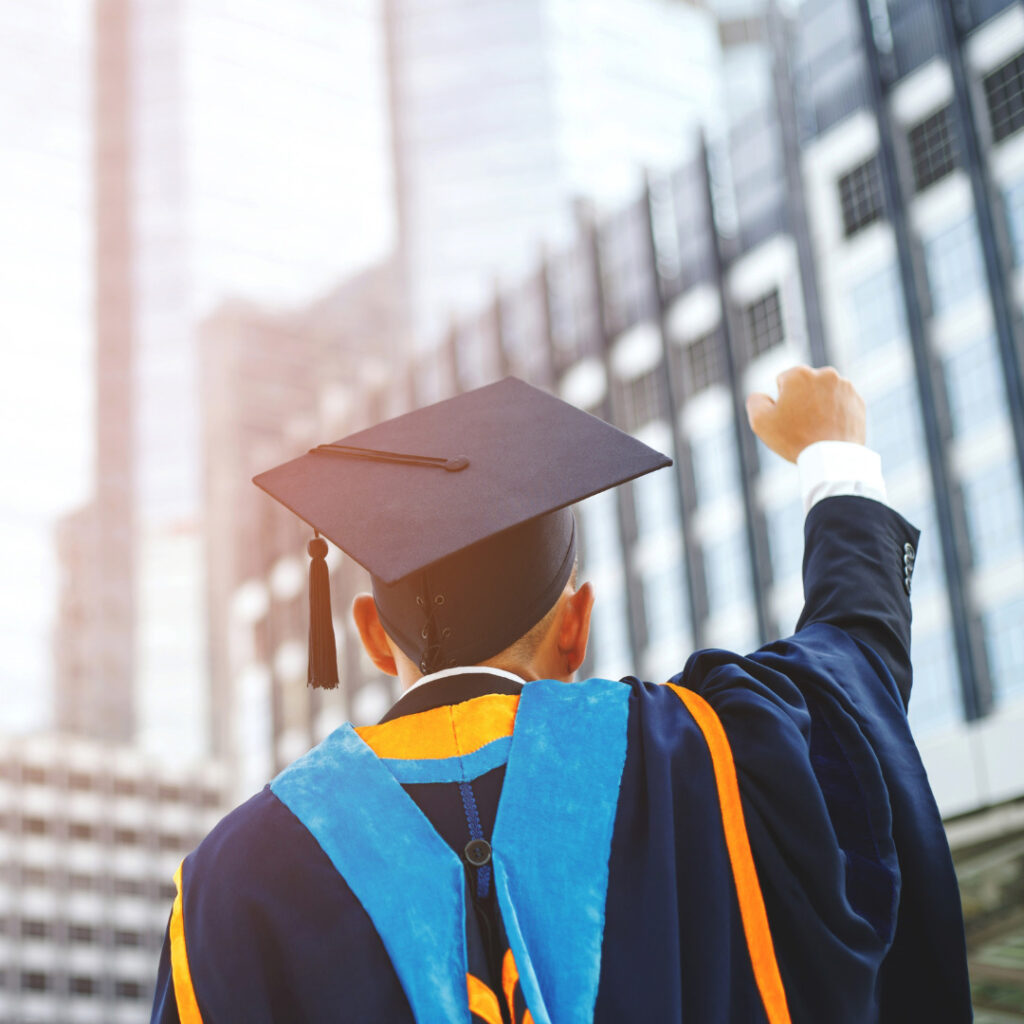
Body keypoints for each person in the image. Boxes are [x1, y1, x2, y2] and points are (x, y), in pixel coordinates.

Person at [151, 366, 971, 1023]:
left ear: (370, 634)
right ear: (575, 625)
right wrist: (836, 455)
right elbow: (852, 669)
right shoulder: (705, 753)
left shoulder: (228, 882)